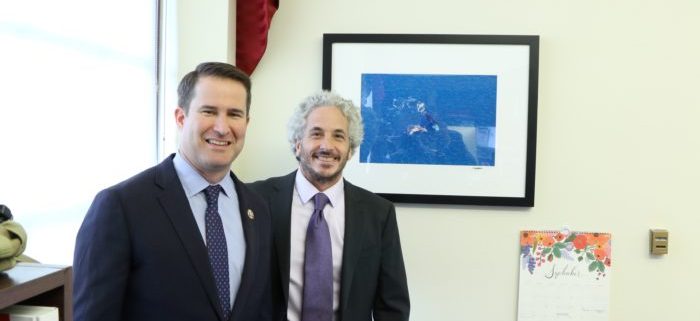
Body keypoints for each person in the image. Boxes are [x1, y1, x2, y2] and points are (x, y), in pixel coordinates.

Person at [73, 62, 272, 321]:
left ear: (246, 122)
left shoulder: (257, 208)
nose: (222, 128)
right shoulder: (121, 206)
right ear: (181, 117)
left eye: (234, 114)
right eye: (209, 111)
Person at [249, 91, 410, 321]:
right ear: (297, 144)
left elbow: (392, 306)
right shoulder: (256, 200)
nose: (327, 146)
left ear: (351, 150)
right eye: (316, 134)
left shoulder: (378, 213)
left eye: (338, 136)